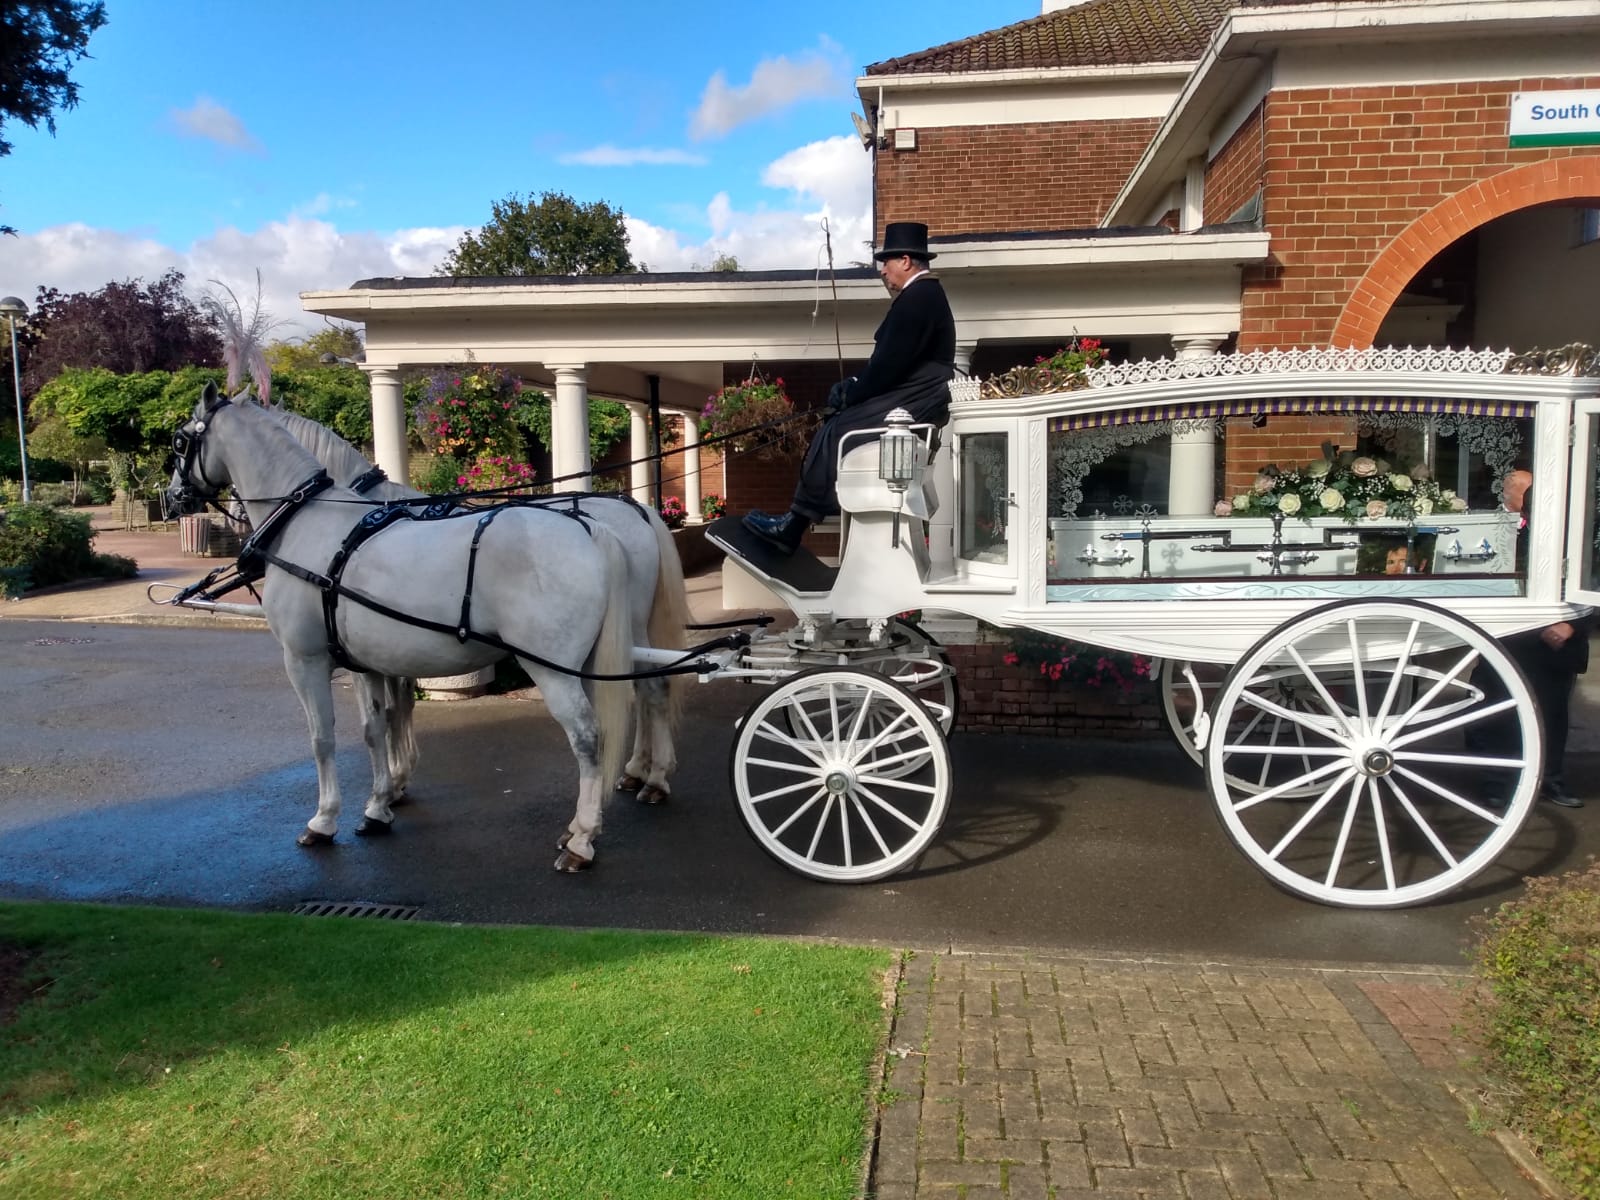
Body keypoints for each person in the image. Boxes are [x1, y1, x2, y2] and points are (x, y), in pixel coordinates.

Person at [741, 221, 957, 554]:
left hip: (914, 400)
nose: (882, 271)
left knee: (837, 429)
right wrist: (855, 384)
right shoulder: (926, 296)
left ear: (906, 261)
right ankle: (804, 517)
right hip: (915, 396)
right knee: (839, 423)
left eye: (886, 262)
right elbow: (892, 364)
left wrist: (852, 395)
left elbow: (888, 367)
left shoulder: (917, 298)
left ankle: (795, 524)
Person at [1471, 469, 1586, 807]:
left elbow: (1588, 580)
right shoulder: (1491, 529)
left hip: (1556, 641)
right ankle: (1498, 783)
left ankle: (1550, 780)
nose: (1520, 495)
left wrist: (1573, 624)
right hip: (1509, 638)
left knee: (1551, 715)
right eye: (1519, 489)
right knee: (1496, 713)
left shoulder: (1570, 532)